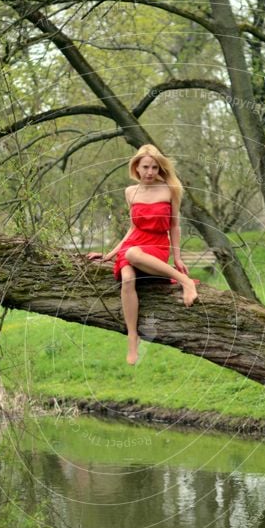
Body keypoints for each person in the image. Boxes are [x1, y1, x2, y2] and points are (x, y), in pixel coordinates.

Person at [88, 145, 198, 365]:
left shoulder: (170, 189)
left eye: (155, 167)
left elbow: (174, 226)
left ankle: (185, 282)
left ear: (160, 169)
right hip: (133, 244)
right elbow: (132, 228)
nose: (150, 172)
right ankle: (132, 337)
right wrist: (110, 254)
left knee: (133, 254)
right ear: (136, 167)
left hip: (156, 245)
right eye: (145, 167)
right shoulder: (131, 192)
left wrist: (177, 258)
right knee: (127, 279)